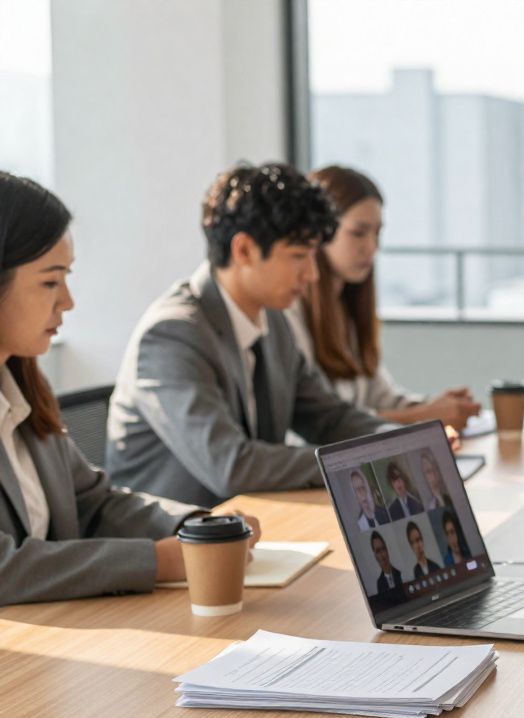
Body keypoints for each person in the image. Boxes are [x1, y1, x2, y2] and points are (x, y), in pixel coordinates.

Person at [0, 171, 261, 606]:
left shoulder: (22, 387)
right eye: (50, 281)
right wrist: (158, 562)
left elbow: (94, 504)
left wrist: (200, 527)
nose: (68, 301)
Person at [105, 163, 395, 507]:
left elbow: (328, 416)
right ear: (243, 250)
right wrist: (357, 460)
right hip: (177, 532)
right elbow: (232, 465)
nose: (313, 274)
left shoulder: (273, 321)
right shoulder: (172, 335)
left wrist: (395, 442)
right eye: (299, 256)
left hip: (249, 519)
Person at [285, 165, 481, 431]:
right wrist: (425, 415)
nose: (372, 247)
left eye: (377, 233)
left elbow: (383, 398)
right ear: (319, 234)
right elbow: (323, 424)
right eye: (358, 232)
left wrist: (434, 406)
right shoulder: (289, 314)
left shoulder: (347, 307)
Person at [370, 531, 403, 598]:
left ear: (387, 550)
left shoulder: (400, 574)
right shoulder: (379, 583)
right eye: (378, 551)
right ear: (375, 556)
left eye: (383, 549)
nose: (382, 554)